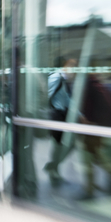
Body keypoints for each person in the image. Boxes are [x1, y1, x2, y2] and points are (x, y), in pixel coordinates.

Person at [43, 56, 77, 187]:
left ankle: (53, 166)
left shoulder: (64, 80)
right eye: (72, 68)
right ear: (66, 66)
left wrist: (80, 115)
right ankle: (54, 170)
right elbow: (46, 94)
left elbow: (68, 99)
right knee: (58, 145)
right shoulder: (56, 77)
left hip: (63, 115)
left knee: (66, 144)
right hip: (56, 115)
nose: (74, 72)